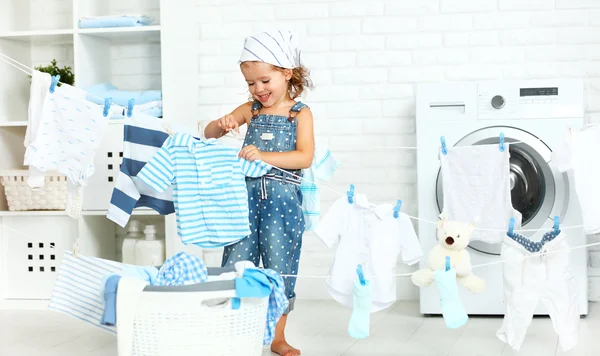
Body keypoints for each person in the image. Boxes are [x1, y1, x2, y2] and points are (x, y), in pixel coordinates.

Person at [203, 30, 314, 356]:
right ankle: (234, 330)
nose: (258, 89)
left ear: (286, 73)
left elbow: (304, 157)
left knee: (280, 266)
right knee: (237, 262)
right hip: (244, 200)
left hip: (282, 203)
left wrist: (263, 156)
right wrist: (221, 124)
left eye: (265, 81)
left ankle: (277, 337)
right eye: (251, 83)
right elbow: (208, 133)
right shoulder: (250, 110)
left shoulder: (299, 113)